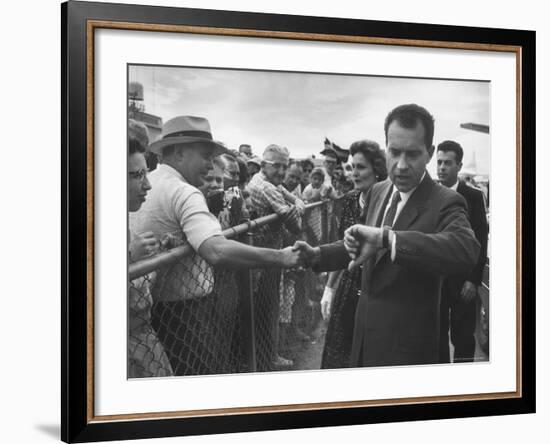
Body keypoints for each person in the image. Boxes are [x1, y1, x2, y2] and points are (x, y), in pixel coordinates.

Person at [294, 104, 480, 367]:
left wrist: (390, 239)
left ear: (429, 153)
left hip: (407, 355)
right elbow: (363, 243)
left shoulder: (447, 201)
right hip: (362, 343)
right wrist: (319, 255)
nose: (401, 166)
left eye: (413, 154)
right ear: (386, 148)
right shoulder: (379, 190)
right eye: (394, 152)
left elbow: (465, 250)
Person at [131, 116, 302, 375]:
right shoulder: (184, 191)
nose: (211, 166)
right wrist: (280, 257)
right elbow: (216, 249)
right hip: (187, 316)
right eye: (205, 156)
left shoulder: (147, 183)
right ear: (179, 152)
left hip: (153, 313)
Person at [320, 140, 387, 369]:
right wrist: (329, 289)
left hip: (376, 290)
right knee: (339, 358)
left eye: (361, 167)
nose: (354, 173)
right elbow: (343, 248)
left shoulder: (389, 202)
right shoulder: (349, 200)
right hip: (348, 289)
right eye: (352, 167)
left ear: (377, 169)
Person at [247, 144, 306, 370]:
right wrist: (296, 208)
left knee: (267, 309)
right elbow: (296, 225)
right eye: (277, 166)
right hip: (265, 259)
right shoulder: (267, 188)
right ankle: (267, 358)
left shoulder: (270, 183)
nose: (282, 172)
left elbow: (297, 202)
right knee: (268, 311)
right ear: (263, 165)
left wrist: (296, 206)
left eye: (285, 166)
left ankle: (264, 357)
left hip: (266, 255)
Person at [127, 119, 173, 378]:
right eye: (137, 175)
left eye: (146, 173)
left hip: (144, 343)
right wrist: (129, 255)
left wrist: (154, 259)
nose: (148, 185)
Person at [436, 140, 489, 363]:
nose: (441, 167)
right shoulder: (428, 194)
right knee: (435, 336)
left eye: (448, 163)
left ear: (459, 166)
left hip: (463, 280)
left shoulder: (474, 196)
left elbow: (480, 240)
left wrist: (473, 280)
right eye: (439, 162)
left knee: (464, 338)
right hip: (435, 279)